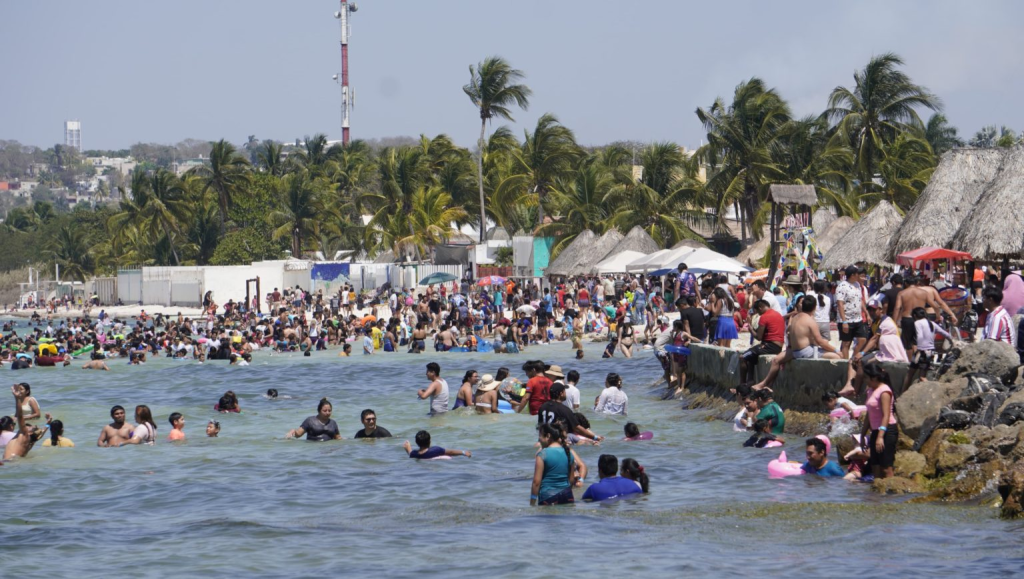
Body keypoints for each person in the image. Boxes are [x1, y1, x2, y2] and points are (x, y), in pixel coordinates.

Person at [752, 296, 840, 391]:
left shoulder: (794, 318)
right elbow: (820, 342)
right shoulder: (810, 321)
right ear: (814, 308)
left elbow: (789, 335)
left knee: (776, 360)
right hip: (805, 352)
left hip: (794, 351)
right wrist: (836, 350)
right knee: (837, 357)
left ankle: (765, 384)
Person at [904, 306, 953, 387]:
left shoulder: (917, 323)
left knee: (910, 374)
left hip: (921, 352)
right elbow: (946, 334)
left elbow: (919, 336)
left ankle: (903, 392)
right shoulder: (932, 323)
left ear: (915, 316)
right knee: (922, 375)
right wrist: (952, 342)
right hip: (929, 352)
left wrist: (919, 349)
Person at [739, 299, 785, 385]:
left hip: (769, 346)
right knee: (750, 356)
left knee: (742, 357)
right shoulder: (777, 314)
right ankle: (750, 381)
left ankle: (742, 385)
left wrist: (750, 328)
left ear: (760, 308)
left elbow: (759, 337)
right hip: (778, 346)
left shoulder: (764, 316)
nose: (757, 313)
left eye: (756, 311)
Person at [530, 423, 576, 505]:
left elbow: (536, 482)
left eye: (540, 435)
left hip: (548, 496)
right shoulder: (568, 453)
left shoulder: (542, 454)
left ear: (548, 436)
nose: (539, 439)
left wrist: (532, 502)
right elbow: (571, 480)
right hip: (567, 495)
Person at [539, 383, 603, 442]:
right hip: (556, 440)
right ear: (561, 393)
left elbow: (540, 426)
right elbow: (577, 428)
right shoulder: (563, 409)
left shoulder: (542, 407)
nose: (565, 393)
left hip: (544, 439)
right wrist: (594, 437)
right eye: (565, 392)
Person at [3, 385, 46, 460]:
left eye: (30, 427)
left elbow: (20, 416)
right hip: (11, 462)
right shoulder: (28, 443)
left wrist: (16, 398)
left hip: (9, 462)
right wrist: (48, 424)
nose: (28, 426)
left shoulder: (25, 434)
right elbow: (39, 436)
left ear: (29, 433)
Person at [836, 266, 870, 358]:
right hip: (846, 319)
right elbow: (840, 304)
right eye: (857, 274)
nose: (859, 276)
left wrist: (866, 313)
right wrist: (844, 321)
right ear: (852, 275)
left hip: (857, 319)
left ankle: (853, 358)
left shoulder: (857, 285)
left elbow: (860, 300)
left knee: (863, 339)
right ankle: (845, 363)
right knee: (846, 343)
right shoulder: (842, 286)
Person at [403, 430, 470, 459]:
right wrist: (463, 452)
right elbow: (451, 452)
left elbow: (410, 453)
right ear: (429, 441)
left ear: (416, 442)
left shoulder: (415, 454)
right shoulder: (435, 450)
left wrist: (408, 446)